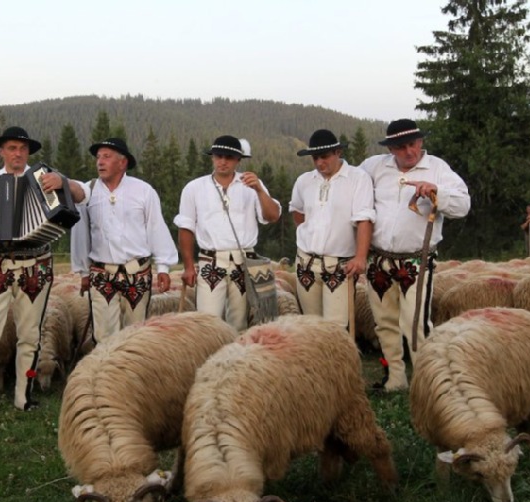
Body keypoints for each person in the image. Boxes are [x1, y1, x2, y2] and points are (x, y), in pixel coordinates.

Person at [0, 126, 86, 423]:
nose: (18, 153)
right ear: (1, 152)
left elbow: (82, 194)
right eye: (11, 148)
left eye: (22, 148)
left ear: (29, 153)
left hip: (35, 265)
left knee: (30, 334)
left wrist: (64, 181)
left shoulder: (46, 179)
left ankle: (24, 395)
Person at [360, 119, 470, 391]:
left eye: (412, 144)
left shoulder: (437, 168)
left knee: (415, 322)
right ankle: (395, 379)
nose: (408, 152)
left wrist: (436, 192)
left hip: (416, 260)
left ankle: (427, 381)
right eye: (400, 147)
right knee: (384, 322)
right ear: (391, 149)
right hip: (379, 259)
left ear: (421, 142)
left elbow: (463, 205)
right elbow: (352, 188)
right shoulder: (373, 167)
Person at [71, 138, 178, 344]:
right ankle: (105, 375)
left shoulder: (144, 191)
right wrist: (83, 271)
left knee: (135, 335)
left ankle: (131, 374)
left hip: (136, 273)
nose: (100, 162)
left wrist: (163, 266)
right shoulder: (88, 191)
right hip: (102, 274)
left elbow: (156, 228)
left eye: (107, 157)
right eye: (98, 157)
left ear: (123, 162)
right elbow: (80, 232)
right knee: (103, 337)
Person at [175, 135, 281, 331]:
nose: (223, 161)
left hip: (243, 262)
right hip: (210, 261)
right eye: (218, 156)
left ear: (238, 160)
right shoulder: (194, 188)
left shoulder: (252, 185)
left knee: (239, 322)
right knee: (207, 323)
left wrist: (259, 190)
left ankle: (235, 360)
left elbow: (272, 215)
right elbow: (186, 228)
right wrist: (188, 266)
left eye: (229, 157)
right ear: (212, 157)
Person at [290, 129, 374, 330]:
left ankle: (338, 362)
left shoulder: (358, 178)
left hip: (340, 265)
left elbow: (364, 219)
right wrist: (307, 233)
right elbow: (297, 211)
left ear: (338, 152)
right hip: (306, 263)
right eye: (315, 158)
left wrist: (361, 257)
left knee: (336, 328)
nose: (320, 163)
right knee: (311, 326)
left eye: (325, 157)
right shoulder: (304, 181)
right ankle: (315, 362)